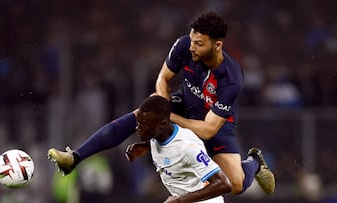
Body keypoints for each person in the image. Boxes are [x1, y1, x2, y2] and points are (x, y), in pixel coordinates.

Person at [48, 11, 275, 196]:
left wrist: (165, 119)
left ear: (217, 45)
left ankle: (254, 161)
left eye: (199, 44)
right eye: (192, 39)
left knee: (234, 184)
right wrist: (161, 107)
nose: (192, 47)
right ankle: (74, 157)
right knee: (141, 114)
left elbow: (207, 130)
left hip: (217, 124)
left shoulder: (231, 78)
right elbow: (163, 78)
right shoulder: (183, 45)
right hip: (184, 103)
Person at [126, 95, 232, 202]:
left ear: (162, 124)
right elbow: (168, 147)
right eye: (138, 122)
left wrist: (180, 200)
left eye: (143, 124)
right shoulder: (156, 136)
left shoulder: (187, 147)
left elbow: (224, 184)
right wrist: (144, 147)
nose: (138, 128)